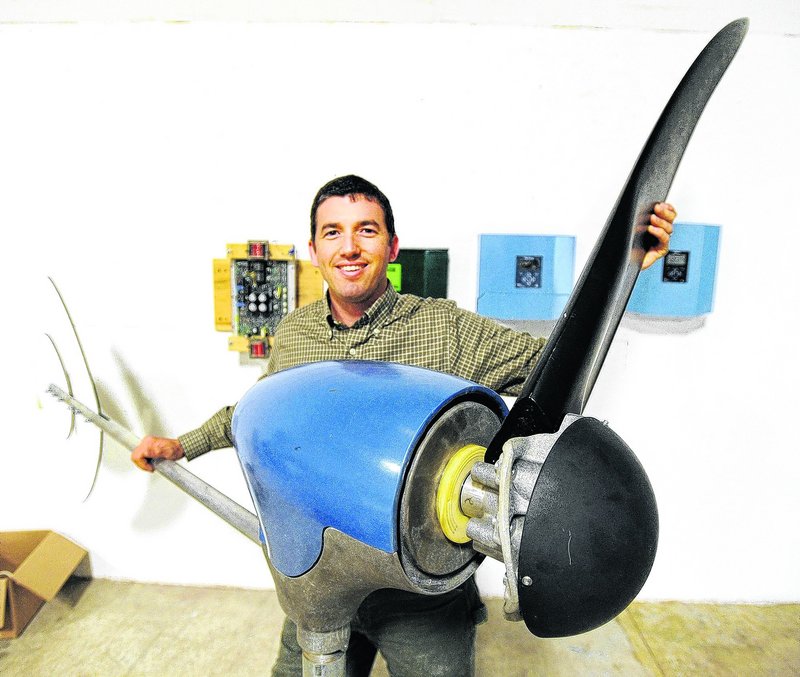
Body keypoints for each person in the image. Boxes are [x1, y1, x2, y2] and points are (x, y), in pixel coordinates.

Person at [132, 175, 676, 676]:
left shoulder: (443, 329)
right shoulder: (295, 334)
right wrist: (182, 445)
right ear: (314, 249)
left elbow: (556, 368)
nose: (349, 247)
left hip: (422, 598)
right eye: (333, 233)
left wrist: (623, 275)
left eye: (366, 231)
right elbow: (255, 416)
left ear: (391, 247)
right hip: (320, 574)